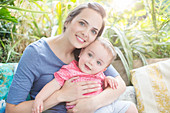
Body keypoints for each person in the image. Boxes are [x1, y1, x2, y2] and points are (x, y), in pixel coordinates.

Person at [6, 2, 137, 113]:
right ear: (68, 20)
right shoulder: (36, 53)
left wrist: (92, 103)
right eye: (82, 23)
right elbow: (11, 109)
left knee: (130, 109)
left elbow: (119, 85)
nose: (85, 33)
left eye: (93, 31)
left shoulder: (89, 52)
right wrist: (60, 96)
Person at [32, 38, 118, 113]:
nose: (91, 62)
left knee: (130, 107)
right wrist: (40, 98)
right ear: (81, 52)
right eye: (90, 55)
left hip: (100, 106)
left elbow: (106, 91)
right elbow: (53, 85)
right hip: (79, 110)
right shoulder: (70, 71)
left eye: (98, 62)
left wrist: (109, 79)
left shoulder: (99, 75)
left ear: (103, 69)